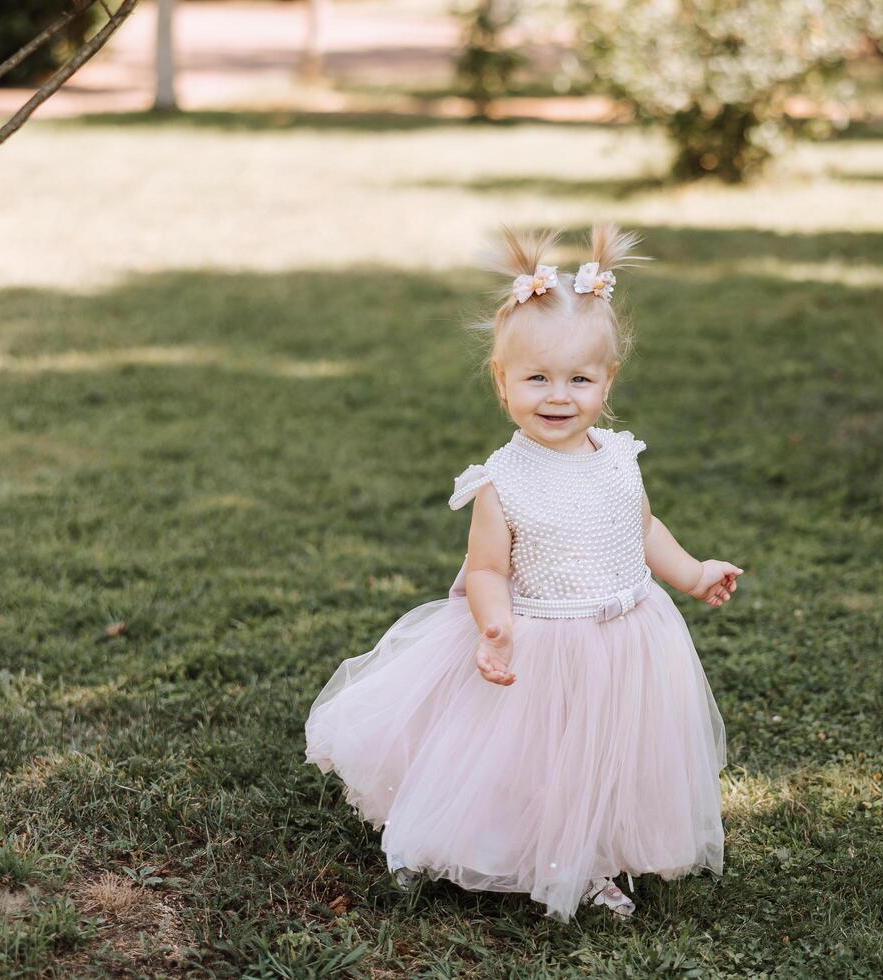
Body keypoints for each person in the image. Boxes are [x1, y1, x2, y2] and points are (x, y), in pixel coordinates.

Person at [303, 223, 743, 922]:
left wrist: (691, 574)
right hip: (544, 642)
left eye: (580, 379)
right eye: (537, 378)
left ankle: (598, 850)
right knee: (545, 762)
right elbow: (483, 568)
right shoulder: (500, 482)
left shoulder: (619, 456)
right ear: (502, 381)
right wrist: (494, 620)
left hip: (631, 635)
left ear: (608, 381)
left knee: (611, 757)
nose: (558, 396)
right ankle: (556, 861)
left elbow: (641, 527)